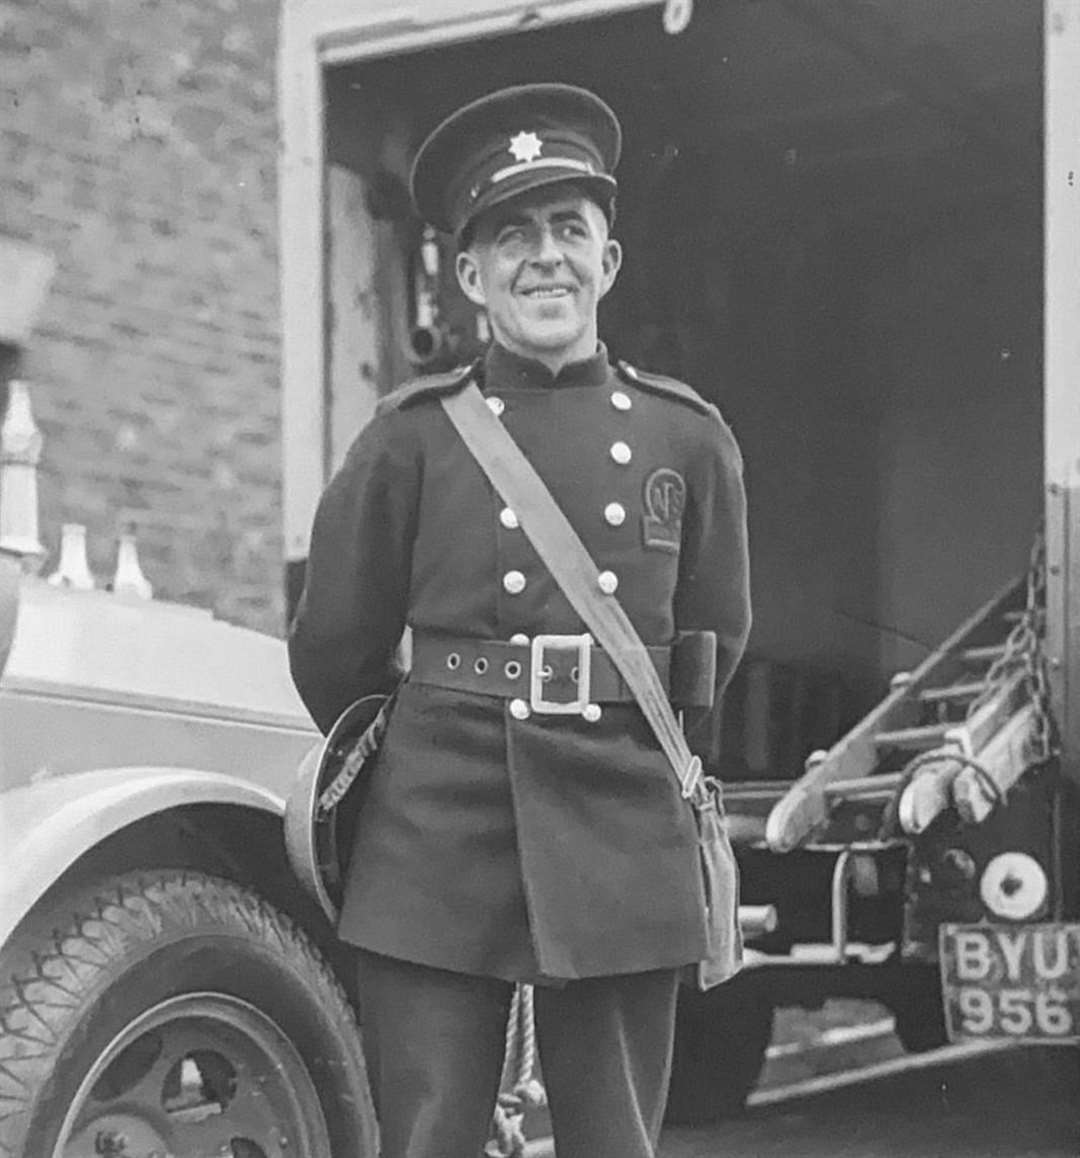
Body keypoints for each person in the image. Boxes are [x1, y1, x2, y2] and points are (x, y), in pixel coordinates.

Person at [288, 83, 751, 1158]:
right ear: (470, 274)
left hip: (621, 824)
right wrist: (418, 770)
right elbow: (331, 648)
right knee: (431, 1135)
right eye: (510, 234)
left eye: (568, 230)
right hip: (438, 833)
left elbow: (712, 645)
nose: (544, 258)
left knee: (615, 1141)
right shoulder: (405, 443)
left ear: (609, 261)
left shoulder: (690, 440)